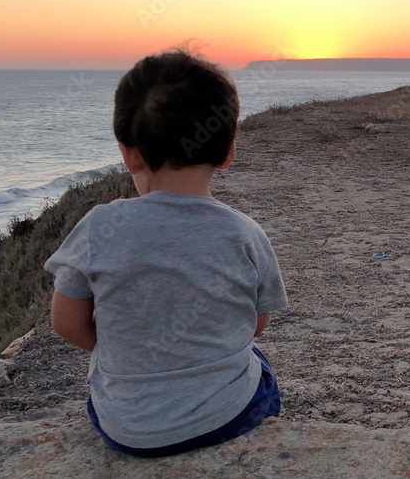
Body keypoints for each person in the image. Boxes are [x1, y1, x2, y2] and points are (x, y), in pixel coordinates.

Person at [44, 48, 287, 457]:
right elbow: (254, 326)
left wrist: (130, 352)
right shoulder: (246, 234)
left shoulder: (100, 227)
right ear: (228, 152)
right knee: (257, 364)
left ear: (129, 153)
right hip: (226, 419)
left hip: (125, 428)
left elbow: (66, 323)